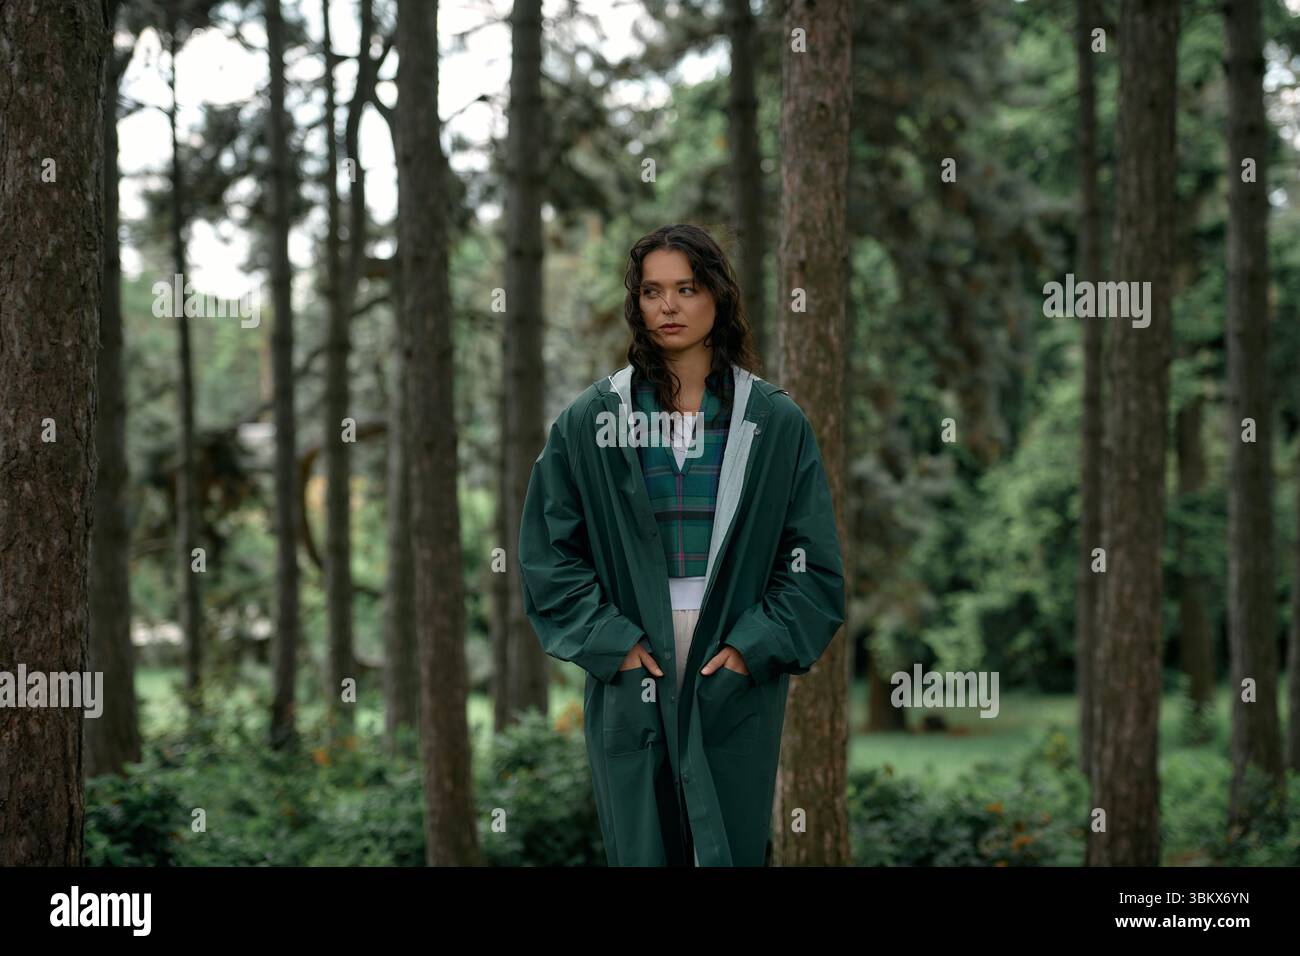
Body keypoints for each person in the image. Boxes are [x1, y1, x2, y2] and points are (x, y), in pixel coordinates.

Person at [518, 223, 845, 866]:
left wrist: (754, 648)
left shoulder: (773, 421)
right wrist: (615, 643)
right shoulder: (593, 420)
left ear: (717, 297)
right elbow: (548, 553)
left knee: (727, 841)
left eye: (687, 288)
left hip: (731, 645)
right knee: (644, 841)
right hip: (635, 646)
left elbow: (812, 565)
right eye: (652, 291)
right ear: (636, 304)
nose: (668, 306)